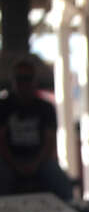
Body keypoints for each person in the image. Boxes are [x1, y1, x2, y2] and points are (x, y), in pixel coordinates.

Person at [0, 59, 73, 201]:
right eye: (19, 78)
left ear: (35, 81)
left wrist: (35, 164)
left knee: (60, 181)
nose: (23, 83)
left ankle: (70, 211)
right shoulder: (3, 106)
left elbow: (50, 142)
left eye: (27, 78)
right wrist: (15, 164)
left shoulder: (45, 107)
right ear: (13, 81)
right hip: (8, 161)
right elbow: (1, 141)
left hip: (41, 161)